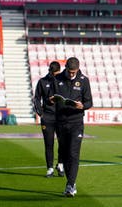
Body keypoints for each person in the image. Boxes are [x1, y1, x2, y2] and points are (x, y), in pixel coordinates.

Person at [52, 57, 93, 197]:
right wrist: (51, 100)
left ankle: (70, 185)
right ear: (66, 68)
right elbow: (49, 98)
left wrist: (83, 105)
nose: (71, 74)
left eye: (73, 72)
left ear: (78, 68)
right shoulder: (57, 79)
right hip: (61, 122)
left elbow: (89, 102)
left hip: (76, 122)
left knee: (73, 154)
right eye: (69, 72)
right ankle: (71, 183)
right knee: (64, 154)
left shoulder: (84, 80)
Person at [33, 61, 64, 178]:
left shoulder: (63, 81)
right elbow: (37, 98)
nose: (56, 76)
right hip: (48, 117)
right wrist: (41, 113)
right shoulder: (42, 81)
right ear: (50, 72)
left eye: (58, 73)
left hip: (61, 116)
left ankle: (60, 164)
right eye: (54, 74)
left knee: (63, 143)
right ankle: (50, 168)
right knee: (49, 143)